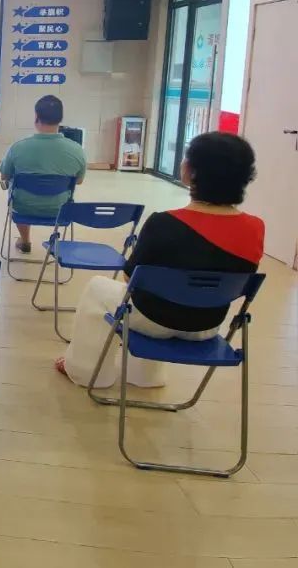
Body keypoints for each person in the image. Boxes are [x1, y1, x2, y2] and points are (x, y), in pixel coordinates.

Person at [57, 132, 264, 388]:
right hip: (207, 325)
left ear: (189, 172)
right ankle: (146, 377)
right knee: (166, 294)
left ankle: (87, 373)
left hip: (152, 321)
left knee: (98, 288)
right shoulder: (255, 228)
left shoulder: (163, 223)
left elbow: (130, 279)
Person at [0, 95, 86, 253]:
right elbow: (78, 181)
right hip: (60, 210)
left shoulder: (17, 148)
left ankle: (25, 240)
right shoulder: (77, 150)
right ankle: (55, 241)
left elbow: (4, 176)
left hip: (23, 208)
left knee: (14, 187)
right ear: (60, 119)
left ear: (36, 117)